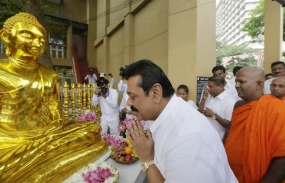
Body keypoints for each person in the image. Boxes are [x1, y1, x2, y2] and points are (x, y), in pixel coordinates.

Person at [0, 12, 107, 182]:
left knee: (92, 130)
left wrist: (54, 127)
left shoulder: (50, 76)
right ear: (6, 36)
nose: (37, 43)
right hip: (11, 142)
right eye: (28, 35)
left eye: (41, 40)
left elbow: (54, 112)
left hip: (48, 135)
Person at [124, 59, 237, 182]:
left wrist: (146, 158)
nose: (128, 103)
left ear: (156, 93)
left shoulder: (187, 137)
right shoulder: (162, 113)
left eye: (133, 96)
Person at [224, 67, 285, 183]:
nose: (236, 85)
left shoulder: (277, 108)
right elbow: (229, 134)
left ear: (259, 84)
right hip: (231, 175)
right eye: (236, 81)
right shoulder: (238, 105)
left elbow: (282, 155)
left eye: (241, 82)